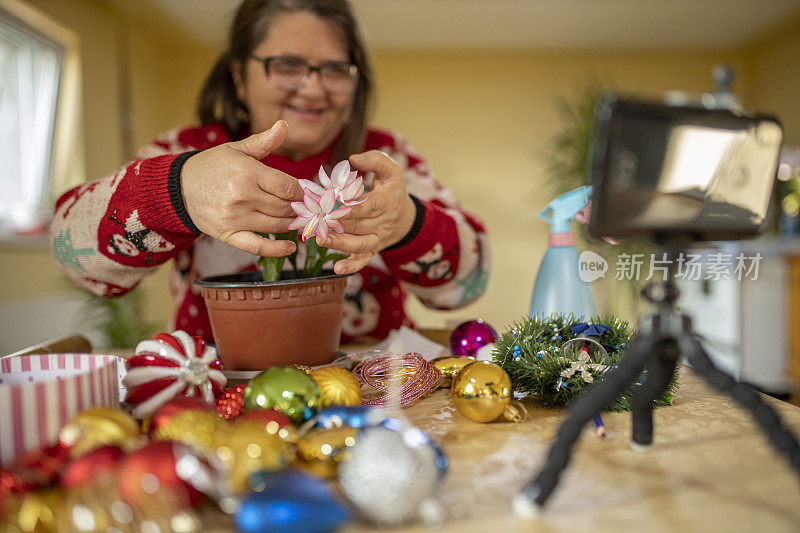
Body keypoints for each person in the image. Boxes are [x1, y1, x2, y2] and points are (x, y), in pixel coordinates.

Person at [51, 0, 489, 343]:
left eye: (335, 69)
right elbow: (74, 259)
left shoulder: (387, 157)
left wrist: (406, 223)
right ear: (240, 76)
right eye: (287, 64)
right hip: (216, 390)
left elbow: (469, 285)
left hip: (375, 392)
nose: (313, 87)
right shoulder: (189, 151)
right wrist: (177, 193)